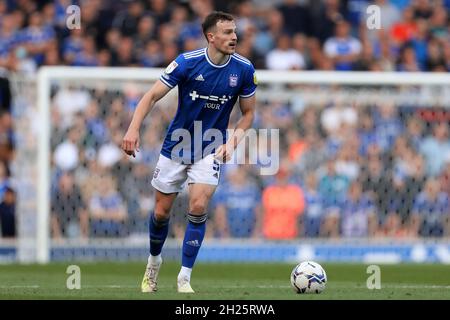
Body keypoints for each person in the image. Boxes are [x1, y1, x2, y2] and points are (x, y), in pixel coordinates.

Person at [121, 11, 257, 293]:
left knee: (197, 205)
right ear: (211, 36)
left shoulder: (244, 69)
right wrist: (133, 129)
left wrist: (232, 141)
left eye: (235, 32)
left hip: (211, 147)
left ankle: (184, 277)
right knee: (161, 212)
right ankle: (153, 265)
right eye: (228, 32)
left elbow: (249, 113)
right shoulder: (187, 62)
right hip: (178, 144)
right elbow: (151, 96)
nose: (234, 37)